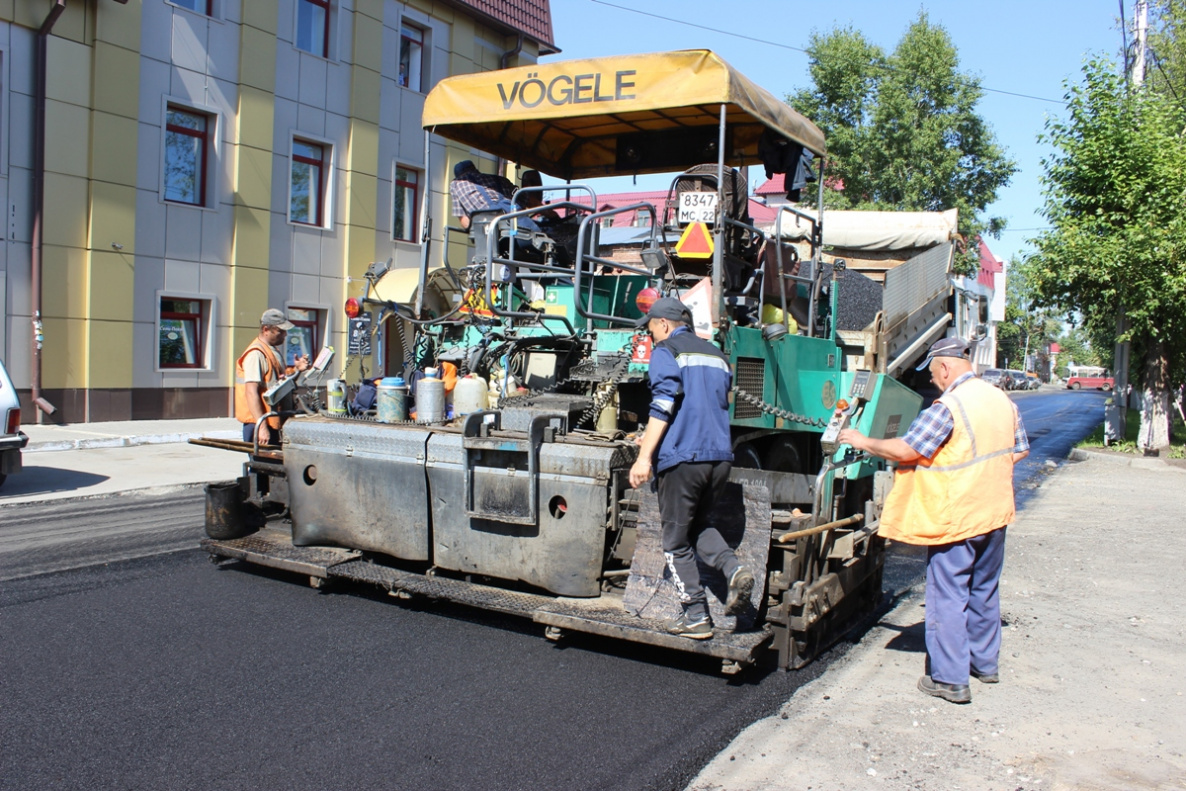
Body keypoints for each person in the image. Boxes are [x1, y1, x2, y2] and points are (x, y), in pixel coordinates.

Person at [838, 337, 1029, 704]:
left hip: (957, 515)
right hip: (995, 511)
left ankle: (949, 680)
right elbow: (1019, 451)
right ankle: (985, 665)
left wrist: (862, 440)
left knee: (947, 595)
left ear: (944, 367)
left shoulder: (949, 406)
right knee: (984, 589)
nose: (934, 381)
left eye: (933, 374)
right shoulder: (1001, 400)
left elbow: (908, 449)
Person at [628, 297, 754, 639]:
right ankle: (734, 569)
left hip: (683, 461)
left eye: (651, 328)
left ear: (664, 325)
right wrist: (653, 440)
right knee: (700, 525)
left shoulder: (667, 351)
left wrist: (644, 458)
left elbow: (663, 405)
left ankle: (696, 614)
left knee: (674, 542)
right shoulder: (716, 355)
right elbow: (707, 405)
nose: (650, 336)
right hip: (719, 459)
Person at [235, 308, 310, 445]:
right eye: (280, 331)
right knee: (262, 465)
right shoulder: (256, 354)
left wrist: (297, 370)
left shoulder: (271, 351)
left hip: (273, 421)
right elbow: (251, 393)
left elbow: (279, 384)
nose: (285, 334)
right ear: (265, 330)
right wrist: (262, 427)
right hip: (261, 424)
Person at [449, 160, 539, 232]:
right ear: (475, 170)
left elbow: (465, 221)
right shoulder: (500, 180)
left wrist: (474, 232)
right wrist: (547, 211)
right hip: (524, 232)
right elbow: (527, 199)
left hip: (493, 238)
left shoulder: (456, 185)